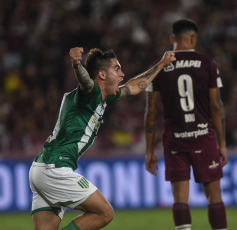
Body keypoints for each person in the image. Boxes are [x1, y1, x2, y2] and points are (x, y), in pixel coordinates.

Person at [29, 47, 176, 230]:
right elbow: (86, 82)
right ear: (102, 75)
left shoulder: (104, 99)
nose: (122, 74)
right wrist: (77, 65)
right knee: (105, 212)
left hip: (40, 169)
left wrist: (161, 64)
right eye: (117, 69)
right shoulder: (90, 94)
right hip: (55, 169)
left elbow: (134, 86)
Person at [144, 18, 228, 230]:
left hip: (175, 140)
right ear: (193, 38)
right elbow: (217, 107)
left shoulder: (158, 65)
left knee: (180, 199)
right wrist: (223, 143)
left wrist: (148, 150)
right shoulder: (207, 62)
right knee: (214, 196)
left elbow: (151, 111)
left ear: (172, 39)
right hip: (204, 137)